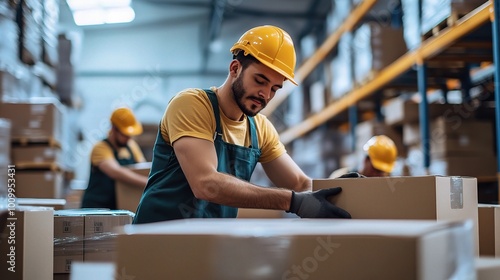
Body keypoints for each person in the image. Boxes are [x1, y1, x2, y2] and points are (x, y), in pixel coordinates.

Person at [133, 25, 351, 223]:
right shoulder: (192, 104)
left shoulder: (260, 128)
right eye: (260, 81)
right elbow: (206, 184)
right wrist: (291, 201)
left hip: (208, 247)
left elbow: (301, 183)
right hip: (157, 239)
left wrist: (348, 191)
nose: (265, 94)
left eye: (275, 88)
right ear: (235, 68)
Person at [81, 107, 148, 209]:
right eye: (125, 134)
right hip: (96, 208)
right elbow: (116, 172)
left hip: (117, 207)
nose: (128, 138)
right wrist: (147, 182)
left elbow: (142, 168)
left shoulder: (131, 146)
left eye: (130, 135)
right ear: (113, 129)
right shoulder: (100, 148)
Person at [329, 135, 398, 178]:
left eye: (381, 172)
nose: (377, 175)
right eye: (375, 169)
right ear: (366, 160)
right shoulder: (340, 176)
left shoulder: (389, 186)